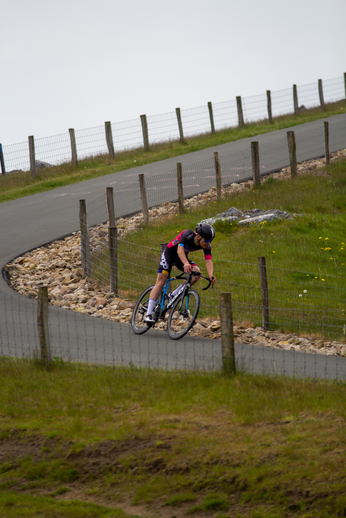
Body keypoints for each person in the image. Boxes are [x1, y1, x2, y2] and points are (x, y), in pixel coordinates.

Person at [144, 223, 217, 323]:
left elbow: (208, 260)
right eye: (207, 240)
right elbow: (180, 249)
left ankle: (173, 295)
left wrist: (211, 275)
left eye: (210, 241)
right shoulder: (187, 234)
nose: (208, 243)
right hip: (169, 255)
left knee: (196, 274)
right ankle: (148, 314)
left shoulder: (206, 246)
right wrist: (186, 263)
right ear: (199, 236)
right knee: (161, 282)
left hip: (181, 258)